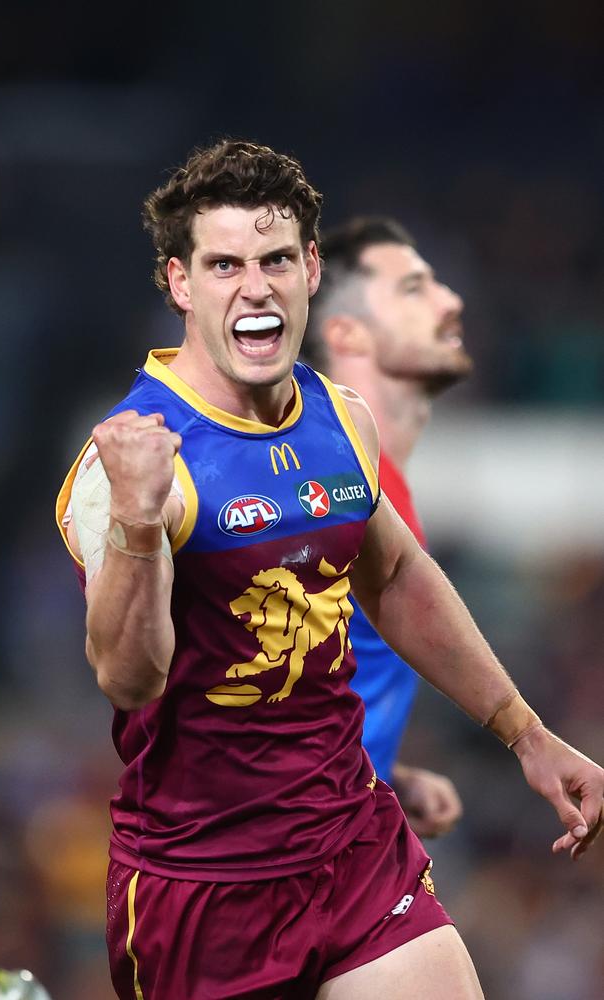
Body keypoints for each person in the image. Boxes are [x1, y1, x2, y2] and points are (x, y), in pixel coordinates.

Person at [55, 140, 603, 1000]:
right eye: (224, 263)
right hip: (202, 890)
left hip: (350, 847)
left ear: (311, 268)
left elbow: (395, 578)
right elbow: (128, 677)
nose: (255, 284)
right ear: (180, 284)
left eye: (275, 259)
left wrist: (528, 735)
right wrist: (134, 518)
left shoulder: (341, 421)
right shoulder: (129, 461)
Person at [303, 217, 471, 837]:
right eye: (413, 288)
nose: (451, 301)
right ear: (347, 333)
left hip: (333, 845)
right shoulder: (318, 485)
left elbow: (287, 692)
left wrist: (381, 772)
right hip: (288, 875)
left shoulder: (374, 486)